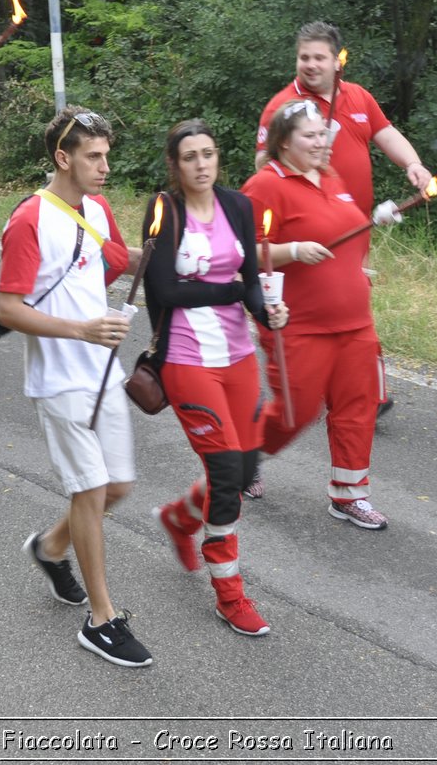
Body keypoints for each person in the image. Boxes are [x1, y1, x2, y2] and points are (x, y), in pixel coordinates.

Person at [0, 106, 151, 667]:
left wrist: (168, 255)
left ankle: (51, 547)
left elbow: (110, 263)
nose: (105, 166)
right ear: (63, 158)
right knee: (89, 490)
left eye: (107, 155)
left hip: (102, 369)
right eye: (94, 156)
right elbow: (7, 308)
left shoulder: (98, 208)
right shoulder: (29, 220)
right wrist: (80, 329)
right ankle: (102, 620)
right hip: (60, 378)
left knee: (117, 488)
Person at [143, 119, 286, 636]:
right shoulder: (165, 211)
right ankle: (230, 594)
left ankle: (179, 519)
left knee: (244, 471)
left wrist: (266, 309)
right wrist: (229, 293)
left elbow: (249, 283)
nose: (201, 164)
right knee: (226, 476)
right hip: (185, 358)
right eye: (189, 156)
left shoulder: (239, 207)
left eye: (208, 154)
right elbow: (165, 292)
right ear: (174, 165)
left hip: (238, 356)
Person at [253, 21, 433, 427]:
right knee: (320, 313)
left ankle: (368, 391)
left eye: (319, 58)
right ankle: (298, 398)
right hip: (306, 233)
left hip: (354, 230)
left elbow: (387, 134)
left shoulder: (357, 97)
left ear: (337, 61)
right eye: (304, 58)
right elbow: (263, 166)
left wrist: (414, 164)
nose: (310, 65)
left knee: (354, 306)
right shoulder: (283, 107)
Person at [241, 100, 404, 531]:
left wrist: (363, 247)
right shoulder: (265, 185)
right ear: (283, 142)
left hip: (354, 322)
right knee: (296, 411)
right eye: (310, 136)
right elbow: (239, 253)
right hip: (298, 323)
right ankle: (241, 455)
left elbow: (341, 233)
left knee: (357, 406)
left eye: (323, 135)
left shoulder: (330, 177)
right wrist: (293, 251)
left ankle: (350, 496)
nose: (321, 142)